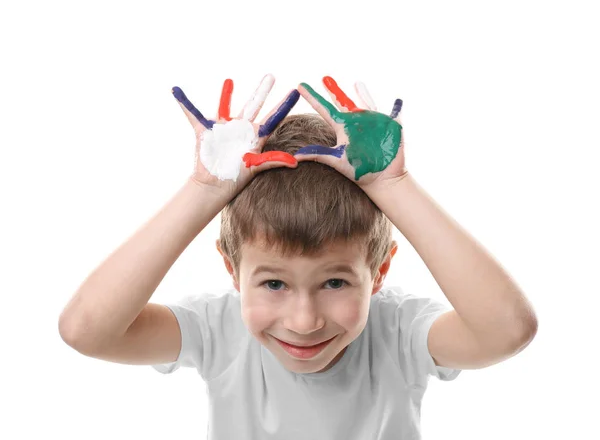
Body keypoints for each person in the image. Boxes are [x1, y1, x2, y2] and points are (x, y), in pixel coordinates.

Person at [58, 75, 538, 439]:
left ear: (380, 271)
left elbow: (507, 330)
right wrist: (203, 191)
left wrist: (393, 186)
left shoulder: (397, 333)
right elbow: (86, 330)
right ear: (232, 270)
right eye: (273, 284)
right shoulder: (218, 330)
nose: (304, 321)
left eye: (334, 283)